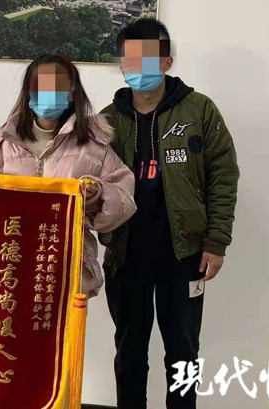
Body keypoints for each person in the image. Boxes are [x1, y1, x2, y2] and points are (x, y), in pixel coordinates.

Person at [100, 18, 240, 409]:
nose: (138, 68)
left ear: (167, 62)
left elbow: (223, 176)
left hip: (185, 254)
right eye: (131, 59)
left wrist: (216, 241)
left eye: (148, 59)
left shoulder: (199, 110)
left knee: (183, 350)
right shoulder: (108, 120)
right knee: (129, 350)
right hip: (126, 254)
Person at [0, 54, 136, 297]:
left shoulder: (93, 145)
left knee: (60, 322)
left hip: (67, 271)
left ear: (71, 93)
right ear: (28, 91)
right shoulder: (1, 141)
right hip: (8, 267)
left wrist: (96, 193)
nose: (48, 93)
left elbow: (124, 199)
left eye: (57, 86)